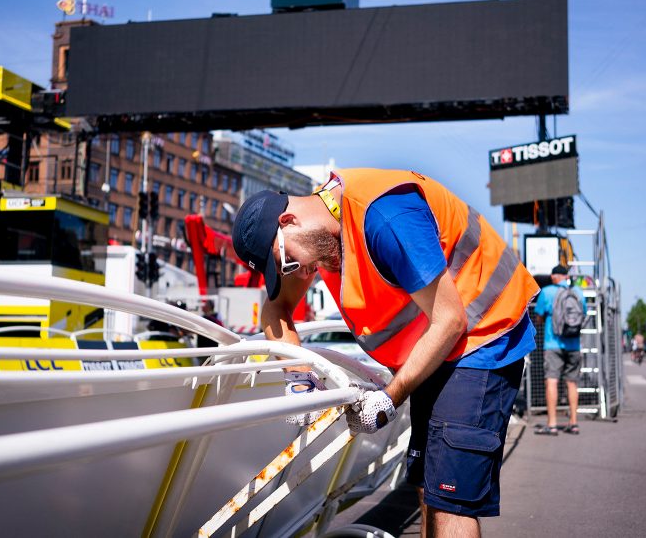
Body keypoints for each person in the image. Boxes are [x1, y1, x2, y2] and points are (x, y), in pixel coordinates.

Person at [231, 168, 539, 537]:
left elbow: (450, 320)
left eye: (291, 262)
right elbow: (276, 309)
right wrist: (298, 374)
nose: (302, 272)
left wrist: (388, 398)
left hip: (483, 337)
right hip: (439, 350)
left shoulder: (384, 216)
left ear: (289, 220)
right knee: (429, 487)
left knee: (451, 501)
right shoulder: (322, 227)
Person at [532, 264, 585, 435]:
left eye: (552, 275)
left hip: (553, 343)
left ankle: (552, 424)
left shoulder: (547, 292)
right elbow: (583, 314)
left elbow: (538, 316)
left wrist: (543, 319)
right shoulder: (578, 292)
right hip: (574, 344)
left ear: (556, 276)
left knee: (552, 381)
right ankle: (574, 422)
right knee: (572, 383)